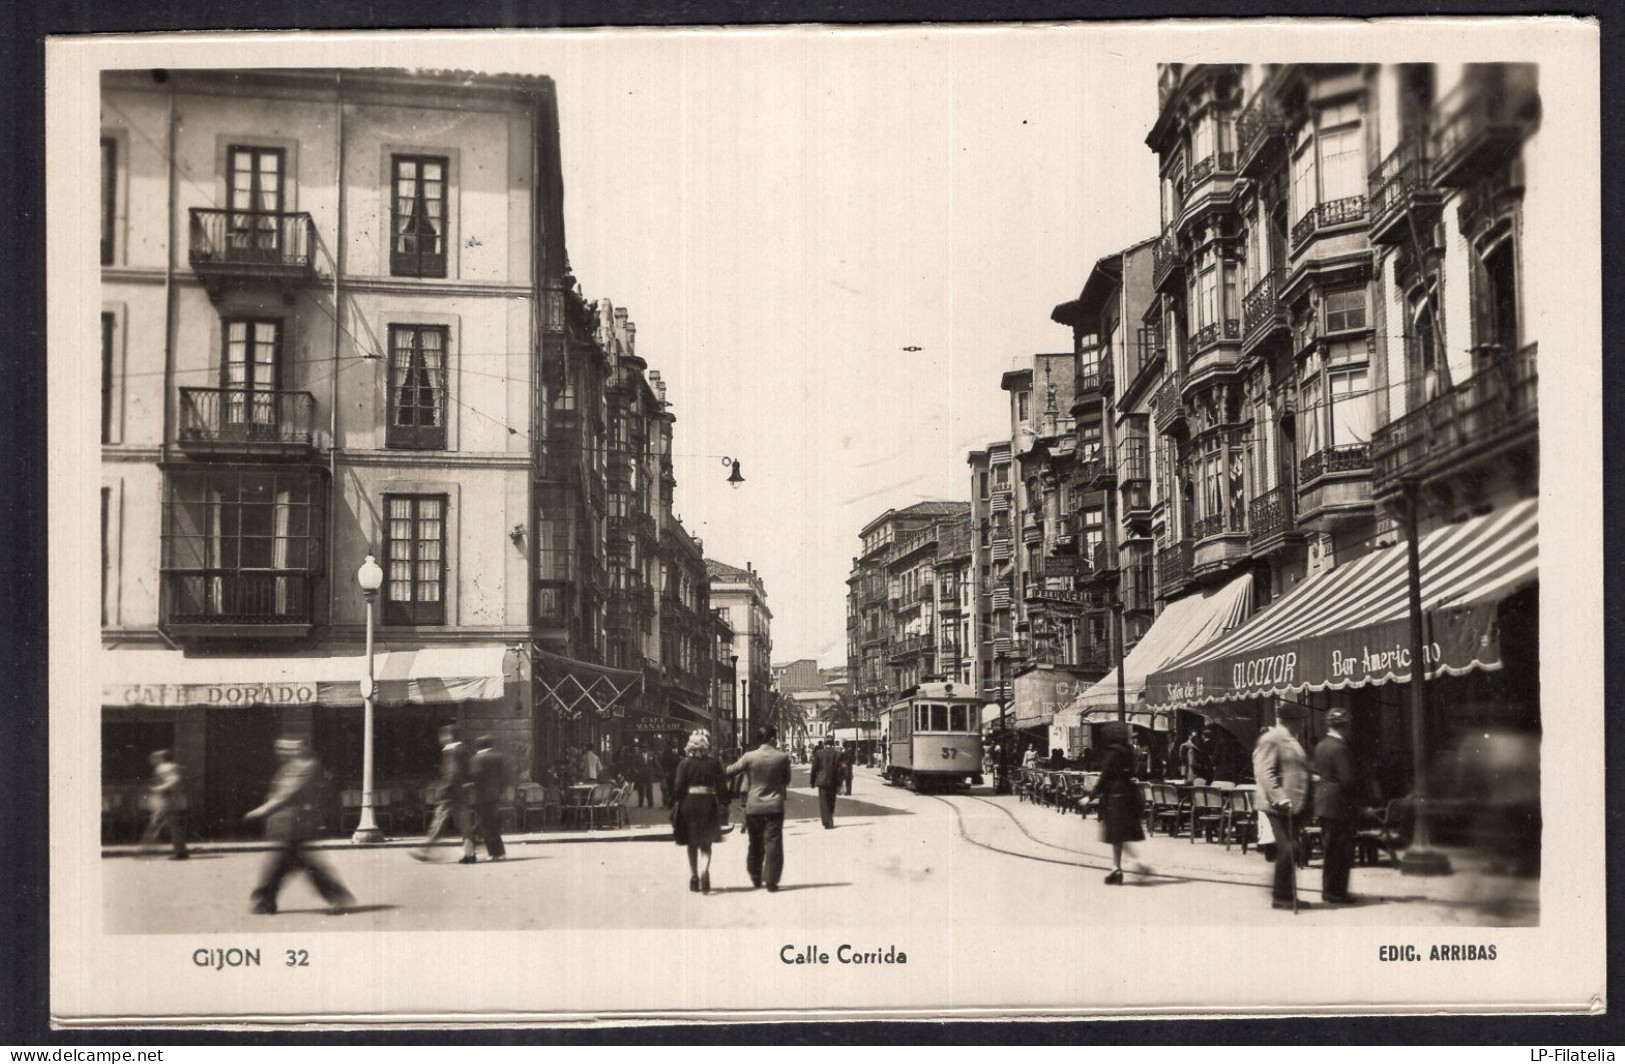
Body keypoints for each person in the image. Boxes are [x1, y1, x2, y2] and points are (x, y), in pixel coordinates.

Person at [244, 739, 354, 915]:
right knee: (290, 863)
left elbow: (287, 795)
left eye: (288, 748)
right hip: (286, 825)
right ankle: (266, 900)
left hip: (296, 824)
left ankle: (266, 900)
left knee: (286, 863)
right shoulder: (291, 767)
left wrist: (260, 812)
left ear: (301, 749)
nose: (282, 752)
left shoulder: (308, 767)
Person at [1253, 703, 1312, 910]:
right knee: (1288, 848)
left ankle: (1286, 895)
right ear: (1291, 721)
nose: (1303, 725)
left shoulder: (1291, 741)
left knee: (1292, 848)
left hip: (1291, 804)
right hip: (1275, 805)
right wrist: (1280, 797)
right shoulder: (1272, 739)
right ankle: (1281, 896)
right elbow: (1264, 772)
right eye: (1300, 721)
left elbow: (1295, 769)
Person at [725, 726, 792, 891]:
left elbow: (730, 771)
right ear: (771, 738)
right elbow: (786, 780)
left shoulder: (749, 757)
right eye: (775, 737)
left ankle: (755, 875)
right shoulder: (782, 757)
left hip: (754, 807)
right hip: (775, 806)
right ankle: (771, 880)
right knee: (773, 843)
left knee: (755, 842)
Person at [1089, 724, 1149, 885]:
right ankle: (1116, 868)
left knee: (1117, 833)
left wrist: (1090, 796)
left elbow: (1105, 776)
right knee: (1119, 834)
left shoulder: (1112, 752)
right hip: (1128, 794)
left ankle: (1139, 865)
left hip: (1115, 797)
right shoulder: (1129, 750)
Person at [672, 730, 728, 893]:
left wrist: (676, 800)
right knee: (706, 842)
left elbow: (678, 787)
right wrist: (725, 802)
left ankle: (694, 876)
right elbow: (722, 787)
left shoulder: (684, 764)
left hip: (688, 805)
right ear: (706, 747)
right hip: (708, 803)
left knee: (691, 843)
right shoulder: (714, 763)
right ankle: (705, 870)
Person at [1313, 708, 1359, 904]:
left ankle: (1329, 890)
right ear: (1345, 726)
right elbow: (1347, 779)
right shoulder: (1340, 748)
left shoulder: (1322, 745)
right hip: (1339, 805)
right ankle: (1336, 893)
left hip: (1324, 804)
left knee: (1330, 851)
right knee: (1341, 851)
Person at [413, 724, 475, 864]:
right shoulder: (465, 749)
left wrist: (444, 789)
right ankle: (470, 854)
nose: (441, 739)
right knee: (465, 825)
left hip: (450, 792)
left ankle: (424, 851)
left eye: (443, 735)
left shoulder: (451, 751)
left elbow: (452, 772)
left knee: (439, 822)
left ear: (450, 736)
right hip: (462, 791)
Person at [139, 749, 189, 860]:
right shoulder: (170, 766)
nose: (152, 760)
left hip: (168, 802)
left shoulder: (166, 767)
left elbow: (174, 780)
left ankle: (146, 851)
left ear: (161, 758)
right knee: (173, 827)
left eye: (155, 757)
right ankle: (180, 851)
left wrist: (159, 788)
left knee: (157, 825)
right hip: (170, 802)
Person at [469, 735, 508, 862]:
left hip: (482, 796)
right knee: (491, 824)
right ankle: (498, 852)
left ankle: (493, 852)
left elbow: (475, 777)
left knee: (485, 825)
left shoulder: (477, 758)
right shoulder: (499, 757)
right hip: (495, 796)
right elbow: (505, 777)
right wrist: (499, 791)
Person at [810, 740, 842, 829]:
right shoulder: (838, 754)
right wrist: (840, 783)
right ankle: (830, 818)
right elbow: (840, 769)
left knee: (823, 802)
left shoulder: (818, 753)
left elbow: (814, 768)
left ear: (825, 745)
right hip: (833, 781)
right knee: (832, 801)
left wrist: (812, 781)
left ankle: (827, 821)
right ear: (833, 745)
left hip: (822, 781)